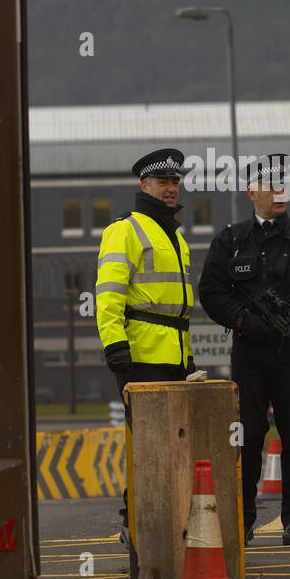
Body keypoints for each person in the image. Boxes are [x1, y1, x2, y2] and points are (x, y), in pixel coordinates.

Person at [198, 153, 290, 547]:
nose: (279, 192)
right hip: (250, 354)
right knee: (246, 436)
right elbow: (211, 292)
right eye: (270, 185)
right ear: (252, 193)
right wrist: (245, 321)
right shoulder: (232, 240)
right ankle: (243, 520)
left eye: (284, 185)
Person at [95, 148, 196, 555]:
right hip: (140, 357)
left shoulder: (176, 235)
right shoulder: (126, 230)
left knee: (175, 448)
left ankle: (163, 525)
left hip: (174, 356)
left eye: (175, 182)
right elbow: (109, 292)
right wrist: (114, 343)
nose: (170, 188)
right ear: (144, 186)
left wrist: (187, 357)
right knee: (148, 447)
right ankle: (132, 524)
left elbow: (178, 307)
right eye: (162, 182)